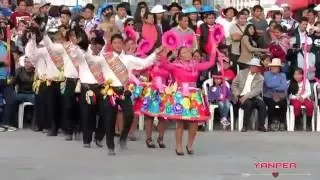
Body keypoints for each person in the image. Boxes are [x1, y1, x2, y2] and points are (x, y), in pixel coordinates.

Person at [96, 34, 162, 155]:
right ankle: (110, 146)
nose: (117, 45)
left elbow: (144, 63)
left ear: (123, 44)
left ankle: (123, 137)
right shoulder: (105, 57)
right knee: (110, 119)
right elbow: (94, 63)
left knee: (129, 115)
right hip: (110, 91)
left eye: (120, 43)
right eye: (115, 43)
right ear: (111, 44)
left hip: (124, 91)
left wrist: (155, 53)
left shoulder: (128, 59)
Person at [159, 44, 217, 155]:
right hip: (181, 95)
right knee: (180, 123)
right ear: (179, 56)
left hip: (193, 95)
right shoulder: (175, 65)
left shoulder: (195, 65)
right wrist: (166, 53)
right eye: (184, 52)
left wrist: (214, 49)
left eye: (188, 51)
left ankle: (189, 145)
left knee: (194, 123)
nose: (187, 53)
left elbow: (210, 63)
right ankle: (178, 147)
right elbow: (163, 64)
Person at [231, 57, 267, 132]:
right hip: (240, 96)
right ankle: (245, 126)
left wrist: (246, 96)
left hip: (254, 97)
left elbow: (257, 91)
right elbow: (234, 84)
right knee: (248, 103)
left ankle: (261, 125)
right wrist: (237, 94)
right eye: (253, 65)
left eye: (256, 66)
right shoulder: (241, 73)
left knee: (262, 104)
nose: (254, 67)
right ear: (249, 66)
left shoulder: (260, 78)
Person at [263, 58, 288, 131]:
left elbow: (284, 86)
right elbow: (268, 84)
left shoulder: (283, 75)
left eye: (276, 66)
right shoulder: (266, 74)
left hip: (280, 96)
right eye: (273, 66)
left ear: (279, 68)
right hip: (268, 95)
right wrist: (279, 85)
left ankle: (282, 122)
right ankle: (271, 122)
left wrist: (276, 91)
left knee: (284, 103)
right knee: (271, 104)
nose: (274, 68)